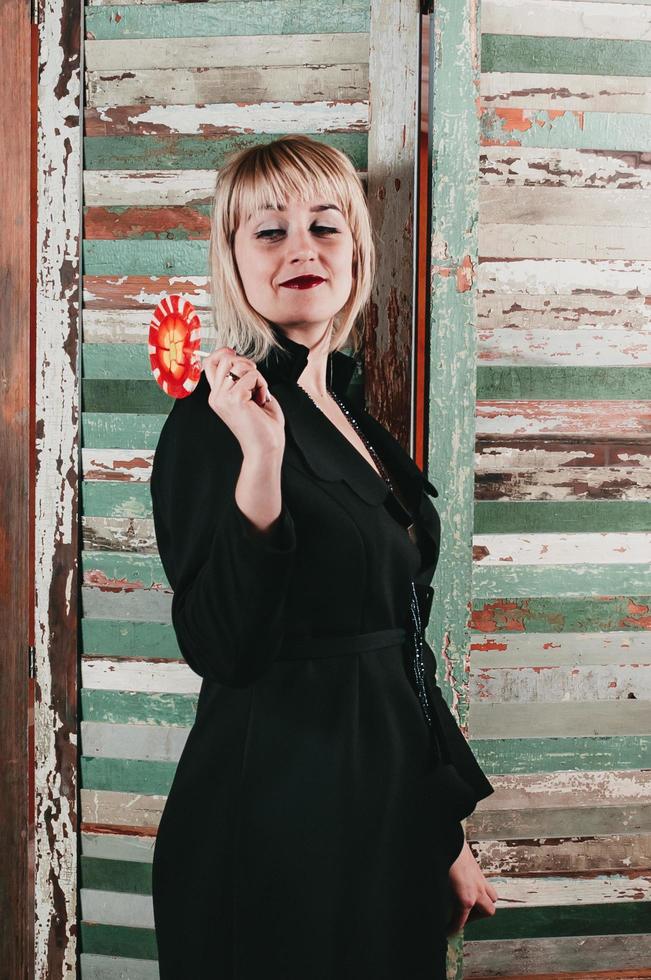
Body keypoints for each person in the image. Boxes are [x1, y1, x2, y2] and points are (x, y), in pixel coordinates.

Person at [150, 134, 498, 980]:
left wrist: (440, 829)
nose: (302, 246)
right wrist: (261, 464)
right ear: (232, 260)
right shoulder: (213, 422)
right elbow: (223, 646)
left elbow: (395, 646)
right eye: (268, 231)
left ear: (355, 249)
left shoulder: (347, 406)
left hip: (380, 813)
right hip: (273, 821)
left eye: (325, 224)